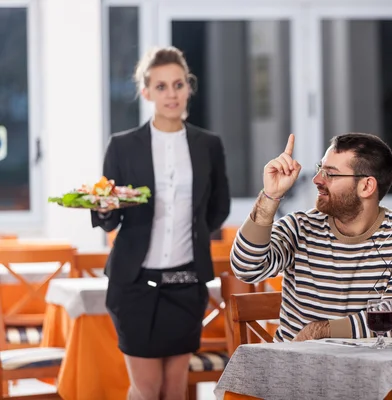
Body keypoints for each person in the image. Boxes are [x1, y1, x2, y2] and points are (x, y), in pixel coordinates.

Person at [91, 46, 230, 400]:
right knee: (146, 388)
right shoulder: (122, 146)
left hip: (186, 282)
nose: (172, 94)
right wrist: (105, 208)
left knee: (174, 387)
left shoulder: (208, 145)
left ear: (189, 87)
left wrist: (194, 228)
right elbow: (109, 217)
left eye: (178, 84)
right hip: (134, 283)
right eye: (162, 86)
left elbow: (219, 207)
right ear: (146, 92)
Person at [231, 132, 392, 341]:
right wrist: (271, 196)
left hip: (366, 369)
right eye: (320, 170)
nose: (317, 180)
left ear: (366, 186)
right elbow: (246, 268)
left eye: (331, 174)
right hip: (296, 368)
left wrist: (319, 332)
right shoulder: (300, 226)